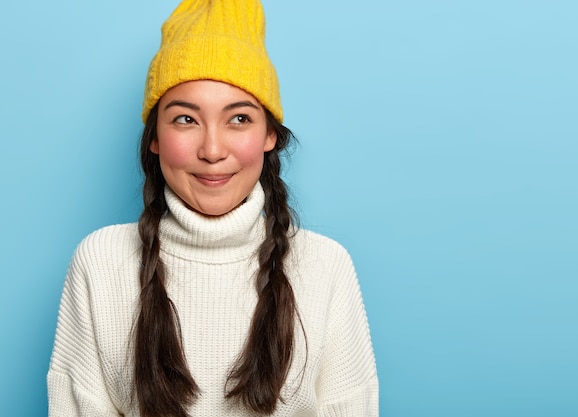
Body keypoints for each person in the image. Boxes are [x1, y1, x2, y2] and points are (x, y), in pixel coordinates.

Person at [47, 0, 378, 415]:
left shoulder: (326, 266)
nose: (212, 150)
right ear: (154, 138)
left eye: (238, 119)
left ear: (269, 135)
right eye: (186, 119)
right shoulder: (100, 261)